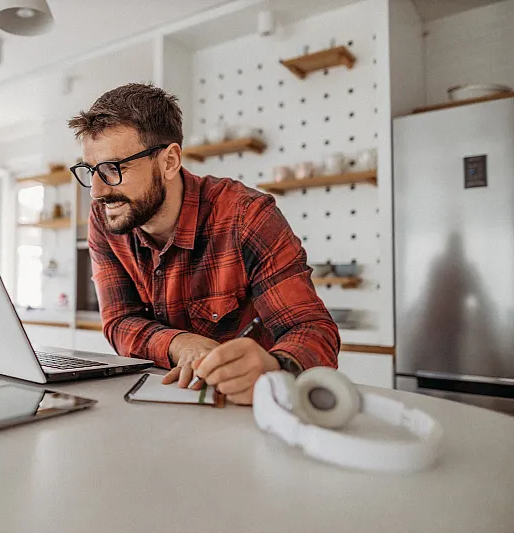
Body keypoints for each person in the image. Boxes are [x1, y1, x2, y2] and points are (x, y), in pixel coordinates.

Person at [68, 83, 339, 405]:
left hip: (249, 405)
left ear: (169, 162)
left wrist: (277, 366)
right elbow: (118, 322)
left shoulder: (247, 216)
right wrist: (181, 344)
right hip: (161, 400)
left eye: (114, 168)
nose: (96, 191)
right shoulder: (107, 216)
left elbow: (312, 328)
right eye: (90, 170)